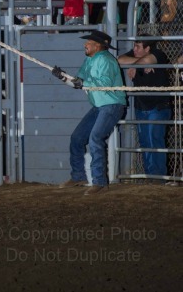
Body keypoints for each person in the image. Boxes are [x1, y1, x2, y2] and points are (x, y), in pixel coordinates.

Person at [52, 30, 126, 195]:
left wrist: (81, 82)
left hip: (112, 105)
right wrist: (63, 77)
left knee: (95, 138)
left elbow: (102, 84)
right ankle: (79, 176)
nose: (85, 45)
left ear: (97, 45)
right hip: (101, 106)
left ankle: (99, 181)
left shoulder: (106, 60)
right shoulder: (90, 59)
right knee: (77, 138)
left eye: (88, 42)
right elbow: (79, 83)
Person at [118, 36, 171, 177]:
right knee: (145, 142)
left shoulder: (158, 54)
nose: (134, 49)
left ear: (147, 49)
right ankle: (150, 176)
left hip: (157, 106)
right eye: (134, 46)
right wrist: (138, 63)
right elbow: (119, 60)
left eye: (138, 47)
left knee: (155, 141)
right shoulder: (136, 56)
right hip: (141, 106)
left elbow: (148, 60)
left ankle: (158, 177)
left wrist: (136, 64)